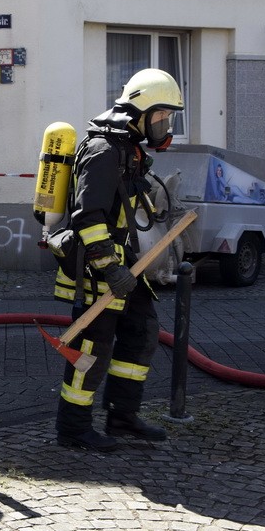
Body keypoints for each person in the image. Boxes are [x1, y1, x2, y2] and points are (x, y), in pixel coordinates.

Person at [51, 68, 184, 452]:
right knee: (91, 351)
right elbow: (87, 216)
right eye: (161, 117)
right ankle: (73, 428)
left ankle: (122, 417)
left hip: (124, 266)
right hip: (95, 269)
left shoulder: (127, 149)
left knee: (142, 334)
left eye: (168, 118)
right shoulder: (103, 151)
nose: (164, 125)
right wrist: (109, 267)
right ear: (139, 111)